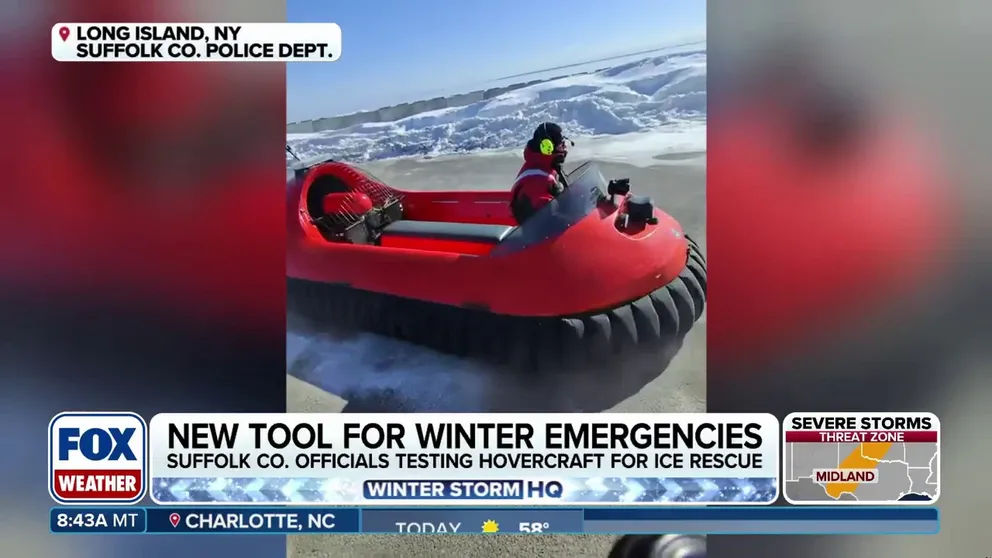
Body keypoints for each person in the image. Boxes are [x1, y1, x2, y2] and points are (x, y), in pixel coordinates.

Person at [509, 122, 571, 223]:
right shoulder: (535, 181)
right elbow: (546, 219)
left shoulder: (547, 166)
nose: (565, 148)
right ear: (547, 147)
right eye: (561, 145)